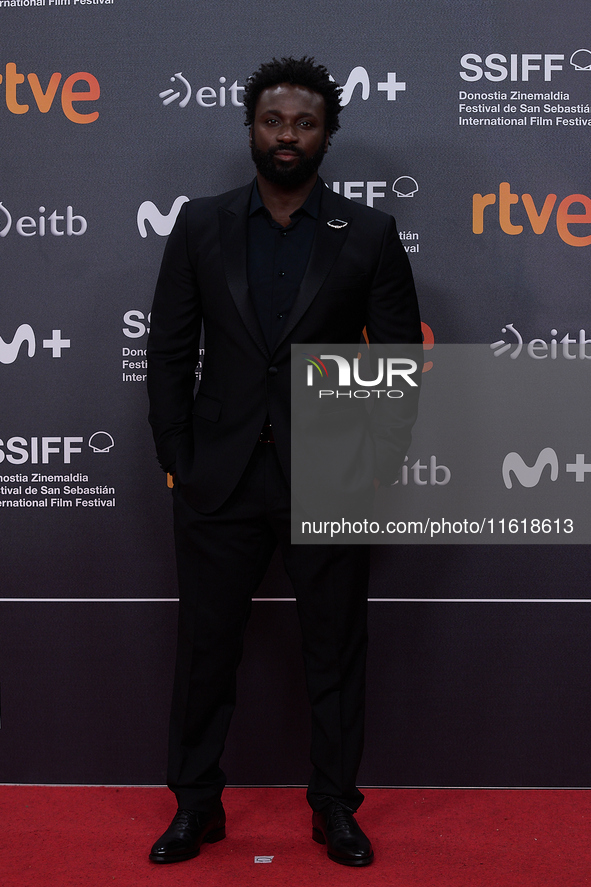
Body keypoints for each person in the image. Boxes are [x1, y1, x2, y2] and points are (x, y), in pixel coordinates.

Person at [146, 56, 421, 867]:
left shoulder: (365, 232)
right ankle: (196, 805)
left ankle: (334, 805)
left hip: (330, 472)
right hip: (218, 475)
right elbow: (168, 351)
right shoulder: (200, 224)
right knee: (205, 648)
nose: (287, 136)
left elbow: (399, 357)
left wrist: (378, 464)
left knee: (334, 648)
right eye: (273, 121)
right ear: (251, 129)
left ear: (327, 132)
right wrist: (176, 456)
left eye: (304, 123)